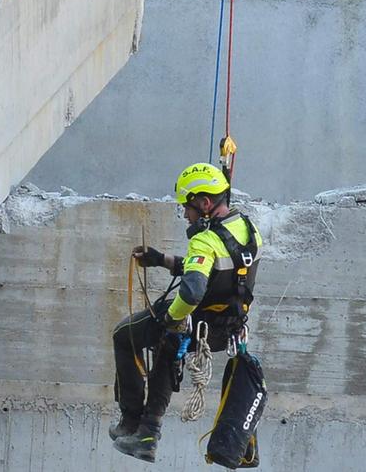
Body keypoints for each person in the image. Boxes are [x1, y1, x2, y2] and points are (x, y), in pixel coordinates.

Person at [110, 162, 262, 463]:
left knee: (124, 335)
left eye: (188, 207)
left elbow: (193, 290)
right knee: (168, 348)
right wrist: (160, 259)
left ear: (206, 204)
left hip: (198, 322)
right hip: (225, 329)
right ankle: (147, 433)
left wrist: (172, 318)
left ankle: (132, 420)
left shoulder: (204, 240)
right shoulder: (247, 228)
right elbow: (215, 270)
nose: (185, 214)